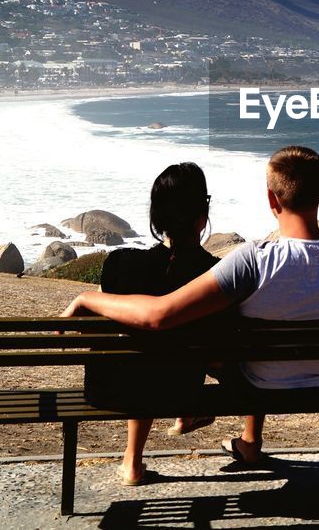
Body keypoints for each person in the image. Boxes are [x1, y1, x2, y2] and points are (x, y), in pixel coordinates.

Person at [62, 145, 319, 468]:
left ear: (272, 200)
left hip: (251, 388)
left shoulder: (252, 260)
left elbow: (159, 315)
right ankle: (248, 440)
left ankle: (158, 445)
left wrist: (86, 298)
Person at [87, 162, 220, 486]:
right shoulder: (215, 275)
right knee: (168, 358)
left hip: (113, 389)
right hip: (183, 390)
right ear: (201, 219)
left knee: (141, 355)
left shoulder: (120, 265)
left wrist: (83, 297)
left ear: (156, 219)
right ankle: (188, 417)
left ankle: (131, 462)